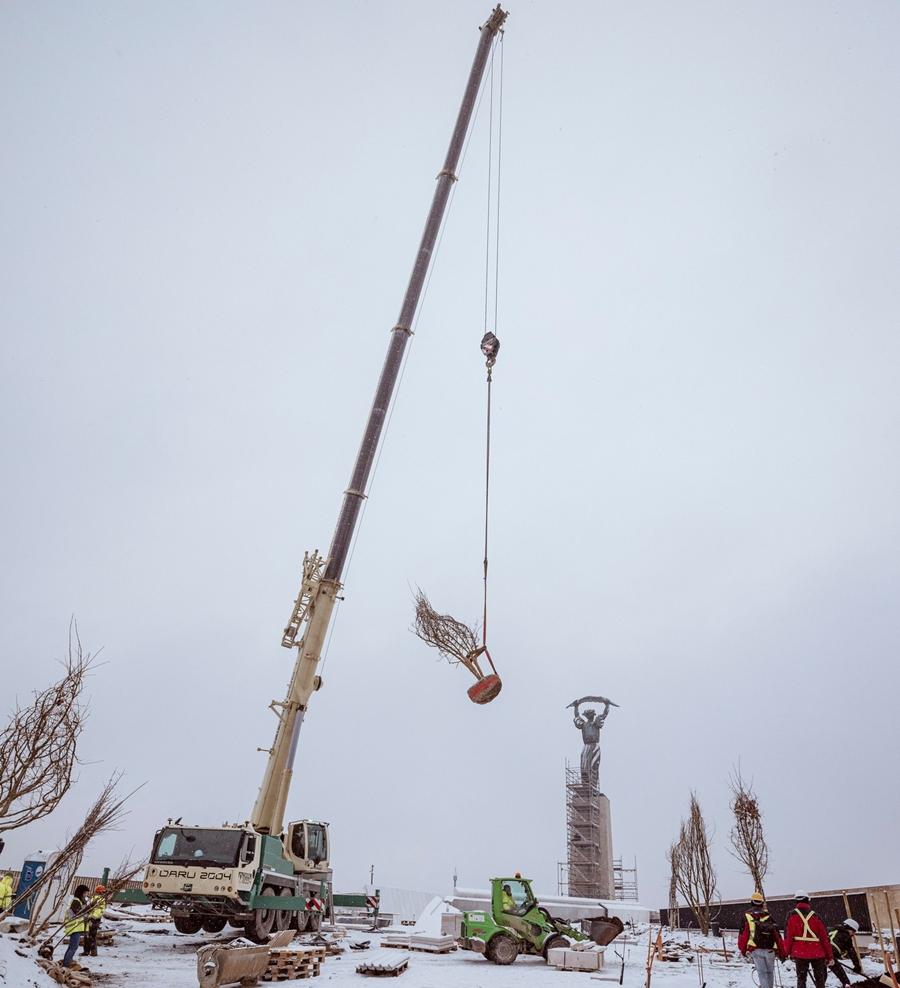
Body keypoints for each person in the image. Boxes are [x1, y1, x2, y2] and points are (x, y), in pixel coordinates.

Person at [783, 891, 833, 988]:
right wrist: (829, 956)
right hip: (817, 952)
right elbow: (824, 938)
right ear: (808, 901)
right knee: (820, 979)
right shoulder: (816, 916)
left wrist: (787, 952)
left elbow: (788, 936)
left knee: (801, 979)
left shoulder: (791, 915)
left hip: (800, 952)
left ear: (796, 901)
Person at [738, 891, 785, 988]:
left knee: (762, 973)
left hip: (756, 949)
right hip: (770, 950)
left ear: (752, 902)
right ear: (762, 903)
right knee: (770, 972)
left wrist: (742, 949)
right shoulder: (768, 916)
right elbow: (777, 935)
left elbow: (743, 935)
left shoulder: (747, 916)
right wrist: (782, 952)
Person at [62, 885, 90, 969]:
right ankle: (66, 965)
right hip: (74, 928)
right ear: (81, 892)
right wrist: (88, 910)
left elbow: (84, 912)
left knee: (72, 947)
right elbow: (78, 913)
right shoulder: (76, 901)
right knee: (73, 947)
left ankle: (67, 962)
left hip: (77, 927)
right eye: (85, 893)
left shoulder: (81, 901)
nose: (86, 895)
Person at [828, 919, 862, 985]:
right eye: (853, 932)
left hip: (819, 953)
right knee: (844, 979)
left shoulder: (831, 929)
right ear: (848, 928)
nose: (853, 934)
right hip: (830, 955)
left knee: (821, 976)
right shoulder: (846, 936)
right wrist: (857, 966)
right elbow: (852, 953)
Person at [82, 884, 107, 957]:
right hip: (96, 919)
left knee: (88, 935)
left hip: (92, 919)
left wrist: (91, 917)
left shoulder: (96, 899)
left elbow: (94, 910)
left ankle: (87, 952)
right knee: (92, 936)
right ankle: (93, 952)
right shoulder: (101, 899)